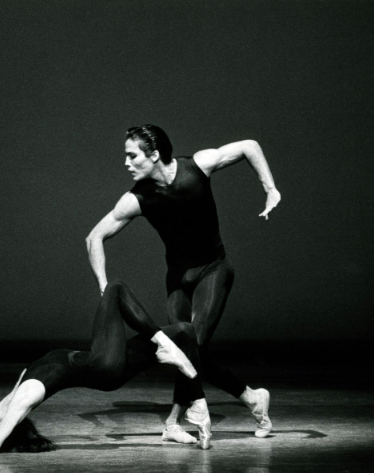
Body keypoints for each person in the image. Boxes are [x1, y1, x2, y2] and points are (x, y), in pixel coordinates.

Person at [86, 124, 280, 442]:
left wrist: (269, 187)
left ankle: (173, 421)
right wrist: (104, 286)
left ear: (155, 154)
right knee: (182, 348)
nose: (126, 162)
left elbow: (249, 144)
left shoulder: (198, 166)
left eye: (132, 155)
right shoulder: (137, 200)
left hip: (213, 271)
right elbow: (94, 237)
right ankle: (251, 397)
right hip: (177, 279)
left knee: (195, 347)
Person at [0, 280, 214, 453]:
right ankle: (168, 353)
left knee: (186, 332)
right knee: (114, 289)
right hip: (104, 366)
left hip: (110, 364)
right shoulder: (25, 398)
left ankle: (175, 422)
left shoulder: (13, 395)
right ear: (3, 425)